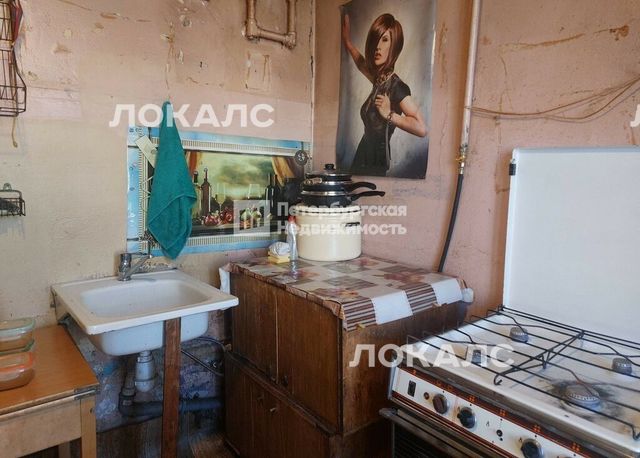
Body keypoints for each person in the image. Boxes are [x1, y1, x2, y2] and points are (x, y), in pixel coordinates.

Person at [342, 12, 427, 176]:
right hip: (362, 155)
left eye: (385, 39)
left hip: (376, 162)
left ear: (394, 45)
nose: (378, 46)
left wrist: (389, 114)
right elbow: (361, 62)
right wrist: (347, 42)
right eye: (376, 39)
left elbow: (421, 129)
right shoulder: (379, 79)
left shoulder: (397, 87)